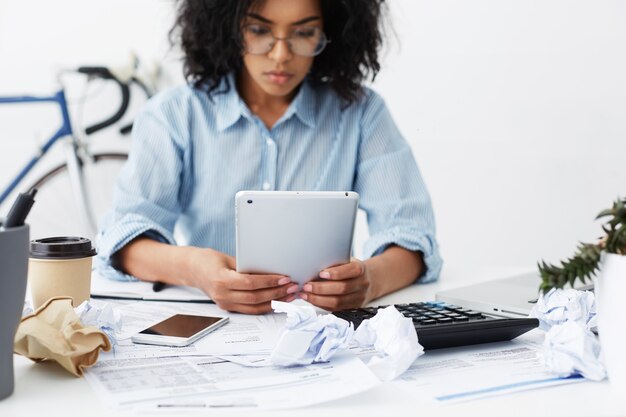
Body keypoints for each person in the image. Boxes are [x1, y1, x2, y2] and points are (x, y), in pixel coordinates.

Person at [96, 0, 442, 314]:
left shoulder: (361, 113)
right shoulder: (173, 114)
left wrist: (369, 280)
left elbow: (412, 237)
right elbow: (124, 238)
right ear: (228, 28)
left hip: (323, 331)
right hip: (212, 325)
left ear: (330, 33)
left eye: (305, 33)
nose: (280, 55)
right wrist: (196, 269)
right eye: (259, 30)